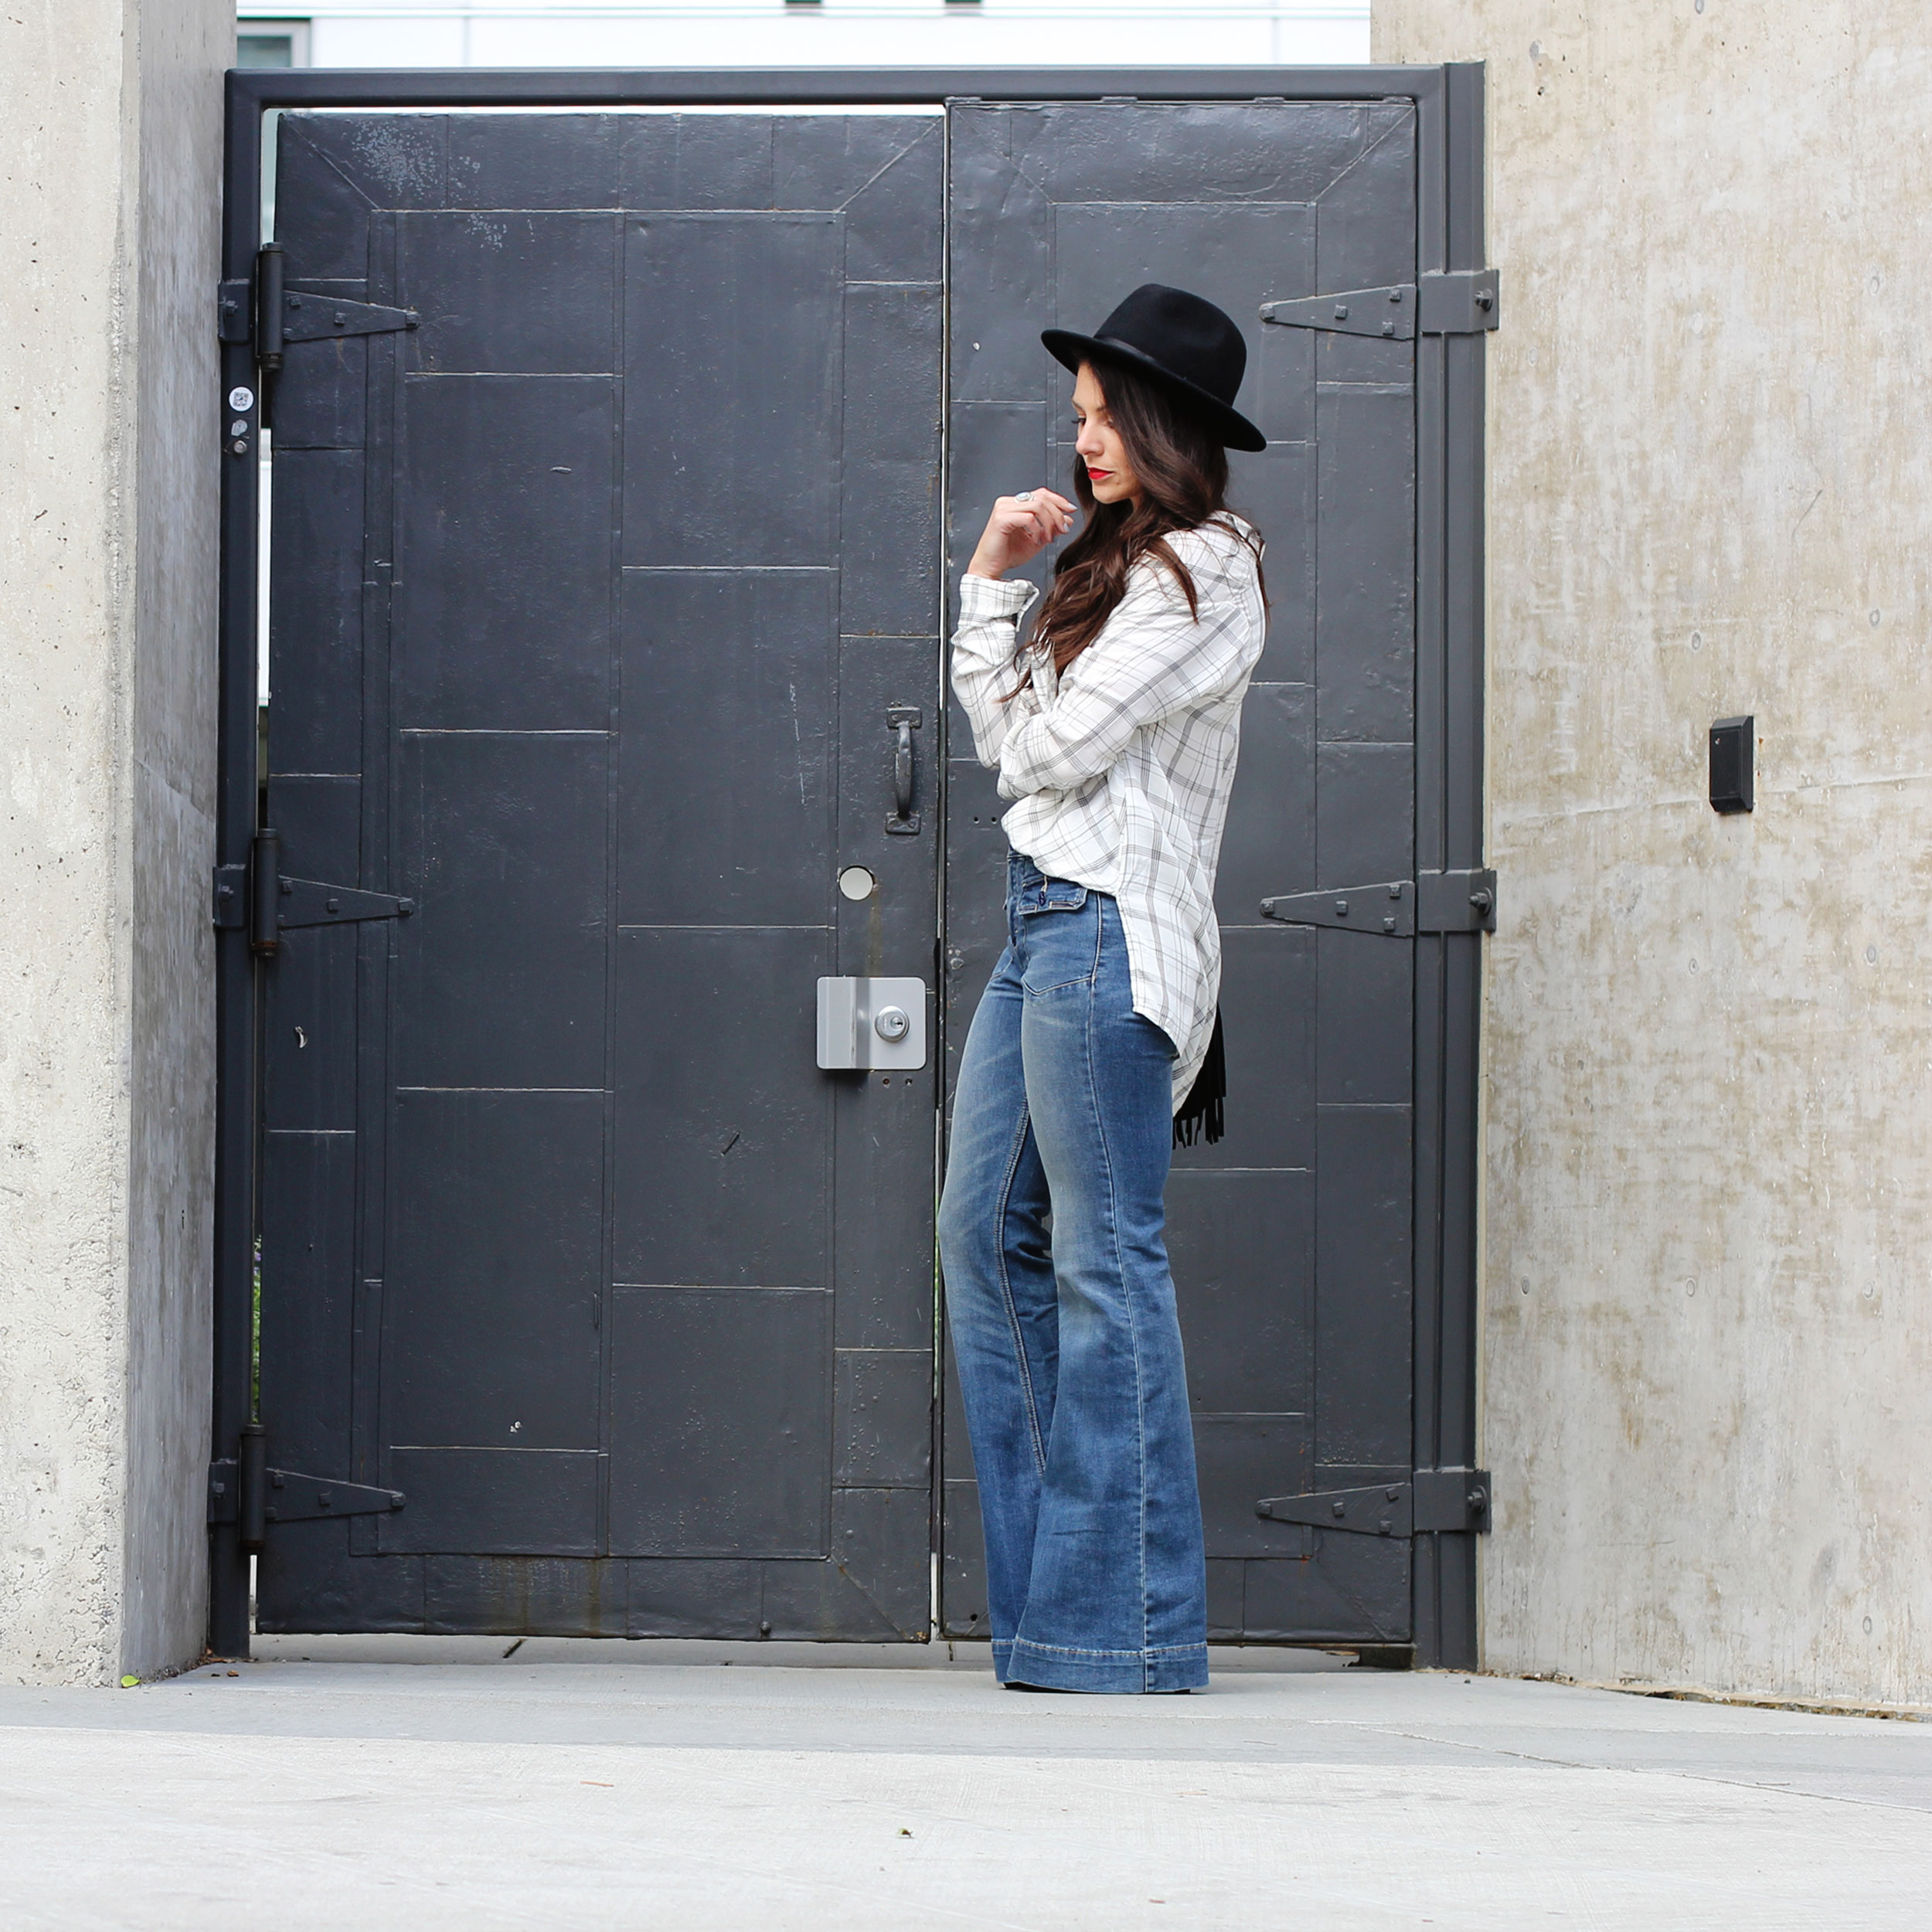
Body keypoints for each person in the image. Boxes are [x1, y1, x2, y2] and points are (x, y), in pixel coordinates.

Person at [939, 284, 1269, 1694]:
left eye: (1100, 418)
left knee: (1103, 1258)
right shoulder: (1108, 573)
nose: (1080, 445)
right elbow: (1009, 736)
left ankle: (1130, 1624)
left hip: (1111, 929)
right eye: (1073, 420)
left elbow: (1046, 745)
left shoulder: (1214, 567)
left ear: (1163, 421)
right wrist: (991, 578)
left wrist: (1030, 717)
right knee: (979, 1240)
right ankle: (1051, 1613)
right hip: (1041, 929)